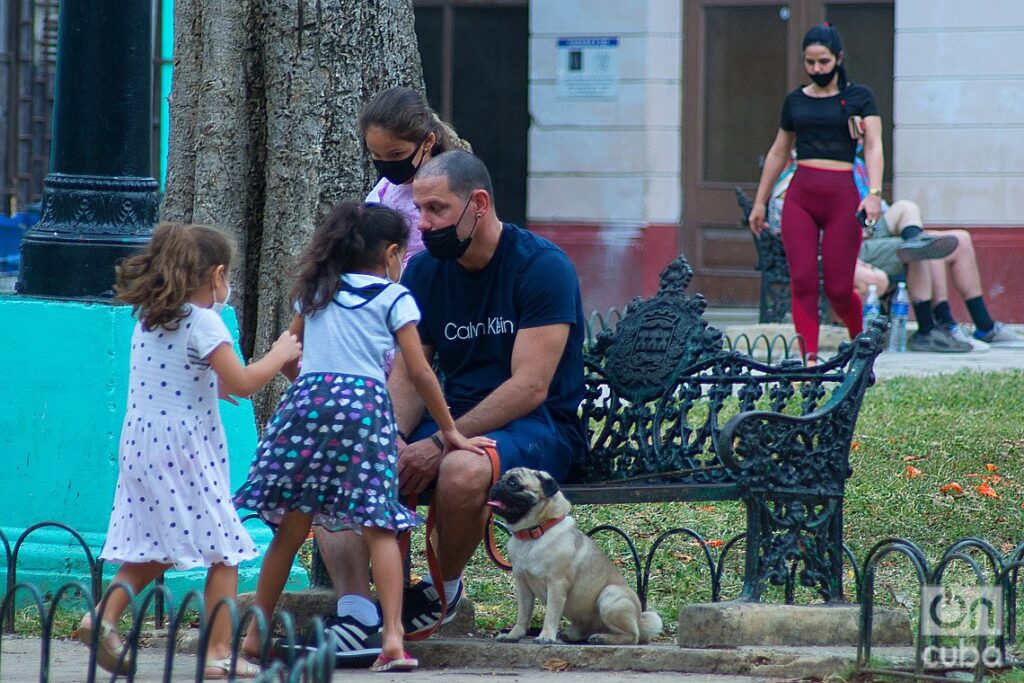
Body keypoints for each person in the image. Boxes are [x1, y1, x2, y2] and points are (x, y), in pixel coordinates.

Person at [312, 150, 587, 664]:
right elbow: (413, 375)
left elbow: (529, 387)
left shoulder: (542, 267)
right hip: (455, 420)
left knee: (460, 469)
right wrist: (388, 435)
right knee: (346, 464)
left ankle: (443, 590)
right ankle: (358, 614)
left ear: (477, 204)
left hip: (539, 427)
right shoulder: (425, 272)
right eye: (419, 210)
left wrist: (442, 440)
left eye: (436, 209)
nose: (424, 223)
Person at [233, 202, 492, 672]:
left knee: (291, 531)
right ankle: (393, 640)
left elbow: (289, 355)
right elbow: (419, 372)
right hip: (365, 412)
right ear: (393, 254)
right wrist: (450, 430)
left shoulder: (315, 290)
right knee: (378, 527)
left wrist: (318, 391)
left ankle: (253, 638)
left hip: (306, 407)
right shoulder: (394, 299)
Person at [75, 223, 302, 679]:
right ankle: (220, 654)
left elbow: (177, 375)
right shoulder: (205, 321)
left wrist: (211, 386)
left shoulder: (153, 316)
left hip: (142, 445)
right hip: (183, 451)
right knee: (224, 551)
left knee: (154, 545)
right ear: (217, 275)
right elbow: (242, 381)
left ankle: (101, 617)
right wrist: (278, 355)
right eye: (228, 277)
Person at [748, 24, 883, 362]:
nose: (817, 69)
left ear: (838, 58)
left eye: (823, 61)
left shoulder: (859, 97)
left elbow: (874, 145)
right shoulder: (795, 100)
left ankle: (861, 347)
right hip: (801, 196)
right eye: (810, 63)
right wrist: (760, 202)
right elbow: (779, 152)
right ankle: (808, 360)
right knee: (804, 281)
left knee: (839, 288)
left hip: (843, 196)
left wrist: (875, 194)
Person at [853, 200, 1024, 350]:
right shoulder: (835, 170)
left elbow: (876, 212)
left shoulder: (859, 169)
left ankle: (985, 327)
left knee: (950, 234)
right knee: (923, 247)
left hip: (870, 230)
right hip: (852, 244)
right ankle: (933, 327)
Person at [360, 86, 468, 265]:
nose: (386, 164)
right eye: (376, 155)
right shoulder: (384, 190)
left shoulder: (452, 193)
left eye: (396, 154)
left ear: (428, 142)